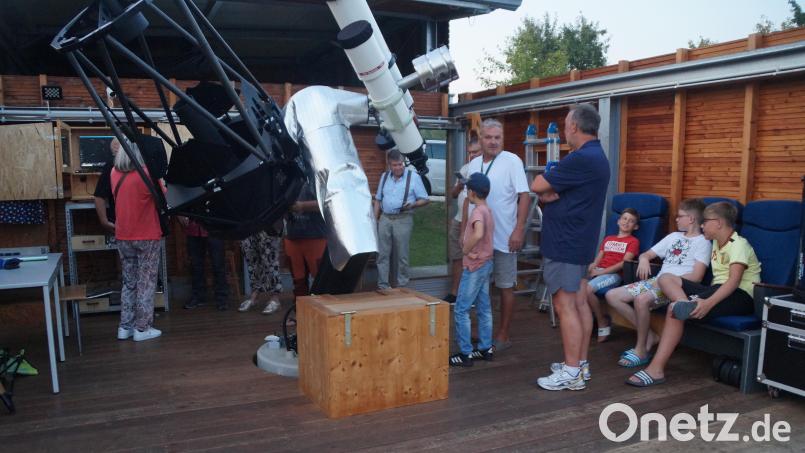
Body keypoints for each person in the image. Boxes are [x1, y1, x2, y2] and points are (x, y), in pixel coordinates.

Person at [626, 202, 761, 387]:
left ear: (719, 223)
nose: (702, 225)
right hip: (716, 290)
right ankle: (684, 303)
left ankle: (656, 370)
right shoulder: (714, 242)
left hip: (740, 295)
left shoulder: (739, 244)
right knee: (666, 277)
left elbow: (733, 282)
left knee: (673, 310)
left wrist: (708, 303)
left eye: (705, 221)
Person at [530, 104, 610, 391]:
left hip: (566, 244)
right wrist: (551, 193)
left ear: (575, 127)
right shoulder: (596, 155)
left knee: (565, 306)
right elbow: (550, 191)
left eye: (566, 125)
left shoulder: (581, 159)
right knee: (577, 303)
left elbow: (539, 183)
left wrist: (548, 192)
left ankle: (572, 371)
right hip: (579, 242)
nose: (565, 130)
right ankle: (580, 363)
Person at [606, 198, 710, 367]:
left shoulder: (703, 242)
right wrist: (644, 260)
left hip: (675, 288)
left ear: (691, 219)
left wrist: (667, 281)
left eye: (680, 216)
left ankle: (641, 350)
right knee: (612, 295)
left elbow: (697, 277)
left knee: (641, 300)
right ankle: (650, 336)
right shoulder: (673, 236)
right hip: (655, 282)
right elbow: (646, 254)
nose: (676, 219)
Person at [464, 119, 530, 352]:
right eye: (488, 137)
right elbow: (468, 200)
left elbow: (525, 196)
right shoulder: (472, 164)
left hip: (503, 238)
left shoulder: (512, 161)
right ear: (480, 139)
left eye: (497, 137)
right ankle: (483, 330)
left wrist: (519, 229)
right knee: (478, 287)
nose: (493, 142)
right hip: (478, 241)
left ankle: (503, 334)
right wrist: (466, 234)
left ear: (502, 139)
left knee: (504, 286)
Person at [111, 140, 165, 342]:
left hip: (123, 236)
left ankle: (125, 327)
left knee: (129, 282)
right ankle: (142, 329)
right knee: (146, 282)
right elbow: (165, 197)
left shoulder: (114, 173)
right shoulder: (146, 174)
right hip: (146, 235)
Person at [449, 173, 495, 367]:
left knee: (461, 309)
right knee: (484, 308)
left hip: (475, 266)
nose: (466, 190)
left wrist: (466, 249)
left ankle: (465, 353)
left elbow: (478, 233)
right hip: (486, 263)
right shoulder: (487, 209)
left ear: (473, 192)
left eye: (468, 188)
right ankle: (486, 348)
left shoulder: (477, 212)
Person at [373, 149, 430, 289]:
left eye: (400, 164)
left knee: (402, 255)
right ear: (389, 165)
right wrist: (375, 221)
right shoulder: (384, 177)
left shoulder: (414, 177)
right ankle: (383, 285)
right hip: (385, 218)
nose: (398, 167)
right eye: (395, 165)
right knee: (382, 254)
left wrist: (413, 205)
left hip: (403, 218)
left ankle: (402, 285)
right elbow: (378, 200)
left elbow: (425, 199)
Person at [584, 208, 640, 343]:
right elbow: (600, 256)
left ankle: (602, 320)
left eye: (631, 221)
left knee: (586, 289)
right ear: (618, 221)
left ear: (636, 226)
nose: (627, 222)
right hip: (599, 271)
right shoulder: (608, 238)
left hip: (614, 274)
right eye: (624, 218)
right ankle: (585, 320)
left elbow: (623, 263)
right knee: (575, 286)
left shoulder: (633, 241)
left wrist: (601, 272)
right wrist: (592, 266)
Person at [444, 139, 483, 303]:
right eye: (470, 152)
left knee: (473, 259)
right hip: (459, 219)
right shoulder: (465, 168)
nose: (472, 155)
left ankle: (470, 296)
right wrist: (460, 185)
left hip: (475, 223)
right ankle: (454, 293)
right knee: (457, 257)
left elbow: (474, 199)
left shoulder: (484, 171)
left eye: (475, 152)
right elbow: (453, 195)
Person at [284, 176, 327, 300]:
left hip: (315, 238)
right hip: (292, 238)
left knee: (320, 282)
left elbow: (328, 201)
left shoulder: (319, 174)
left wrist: (303, 206)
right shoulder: (285, 176)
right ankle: (299, 316)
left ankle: (323, 316)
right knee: (298, 283)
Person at [180, 218, 229, 311]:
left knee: (218, 264)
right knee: (195, 265)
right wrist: (180, 214)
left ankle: (222, 299)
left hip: (214, 226)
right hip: (193, 226)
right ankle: (198, 296)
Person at [239, 229, 284, 315]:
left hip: (268, 224)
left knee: (271, 260)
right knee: (252, 262)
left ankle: (275, 298)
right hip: (248, 225)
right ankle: (254, 296)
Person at [93, 137, 121, 233]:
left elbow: (99, 197)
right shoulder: (141, 166)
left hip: (120, 224)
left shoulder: (110, 166)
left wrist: (104, 222)